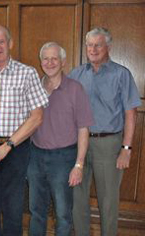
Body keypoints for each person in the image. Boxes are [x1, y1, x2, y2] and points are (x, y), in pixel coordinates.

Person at [0, 24, 49, 236]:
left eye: (1, 41)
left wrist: (8, 145)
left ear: (10, 43)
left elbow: (37, 117)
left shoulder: (27, 73)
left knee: (13, 208)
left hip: (16, 149)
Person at [69, 27, 141, 236]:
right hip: (78, 144)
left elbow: (131, 113)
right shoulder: (77, 74)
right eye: (89, 45)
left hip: (108, 145)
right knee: (77, 198)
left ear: (108, 47)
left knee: (108, 200)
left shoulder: (121, 74)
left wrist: (126, 148)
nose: (93, 49)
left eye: (98, 45)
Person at [27, 42, 94, 236]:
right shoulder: (33, 87)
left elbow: (83, 129)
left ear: (63, 62)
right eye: (45, 58)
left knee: (63, 214)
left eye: (54, 58)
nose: (50, 62)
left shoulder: (75, 89)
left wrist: (78, 165)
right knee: (36, 211)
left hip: (64, 159)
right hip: (35, 156)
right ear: (41, 62)